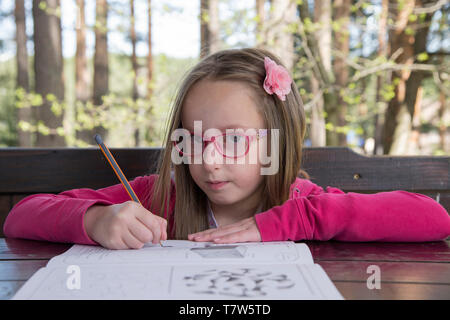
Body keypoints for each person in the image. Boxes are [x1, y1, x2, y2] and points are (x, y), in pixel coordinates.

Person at [4, 48, 449, 250]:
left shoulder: (302, 203)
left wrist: (299, 220)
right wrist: (97, 219)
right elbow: (21, 215)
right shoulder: (157, 196)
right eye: (193, 139)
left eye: (234, 140)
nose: (208, 161)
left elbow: (434, 217)